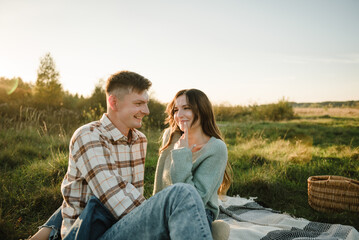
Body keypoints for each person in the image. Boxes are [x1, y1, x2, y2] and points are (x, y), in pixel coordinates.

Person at [29, 71, 213, 240]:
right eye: (139, 103)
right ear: (113, 102)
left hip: (121, 227)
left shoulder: (139, 140)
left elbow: (131, 195)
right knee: (182, 193)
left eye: (146, 103)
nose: (147, 111)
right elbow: (114, 198)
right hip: (88, 233)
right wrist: (159, 214)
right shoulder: (89, 136)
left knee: (179, 204)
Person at [153, 89, 232, 230]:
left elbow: (192, 200)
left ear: (202, 111)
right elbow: (160, 180)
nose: (179, 115)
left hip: (196, 213)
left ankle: (212, 231)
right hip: (164, 209)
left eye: (186, 108)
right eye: (176, 110)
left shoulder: (216, 148)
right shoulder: (171, 136)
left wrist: (181, 155)